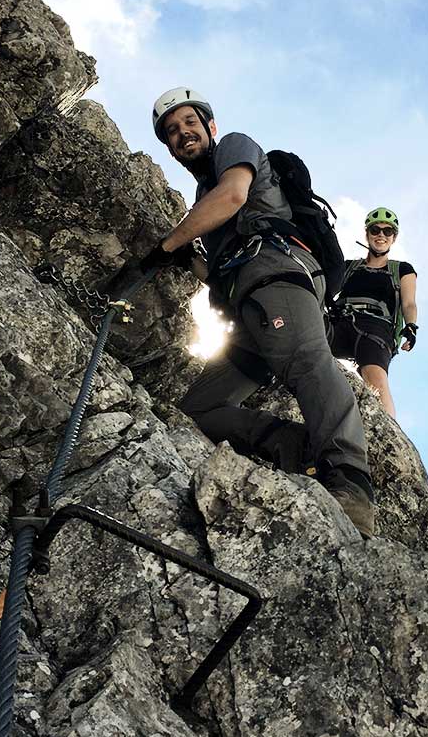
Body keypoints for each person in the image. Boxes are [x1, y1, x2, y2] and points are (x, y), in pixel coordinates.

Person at [139, 87, 376, 537]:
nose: (182, 133)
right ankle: (297, 445)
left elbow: (233, 198)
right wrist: (186, 256)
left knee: (307, 362)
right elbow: (218, 266)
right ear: (169, 148)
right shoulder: (202, 191)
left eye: (189, 122)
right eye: (171, 131)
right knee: (197, 409)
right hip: (247, 304)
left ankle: (350, 483)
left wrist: (166, 243)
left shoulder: (234, 147)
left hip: (276, 275)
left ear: (209, 126)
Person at [330, 208, 418, 419]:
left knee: (376, 380)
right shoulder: (349, 267)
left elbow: (409, 303)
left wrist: (411, 326)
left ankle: (389, 437)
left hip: (376, 327)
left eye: (388, 231)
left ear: (393, 238)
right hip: (340, 320)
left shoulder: (402, 270)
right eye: (375, 230)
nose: (381, 235)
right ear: (367, 234)